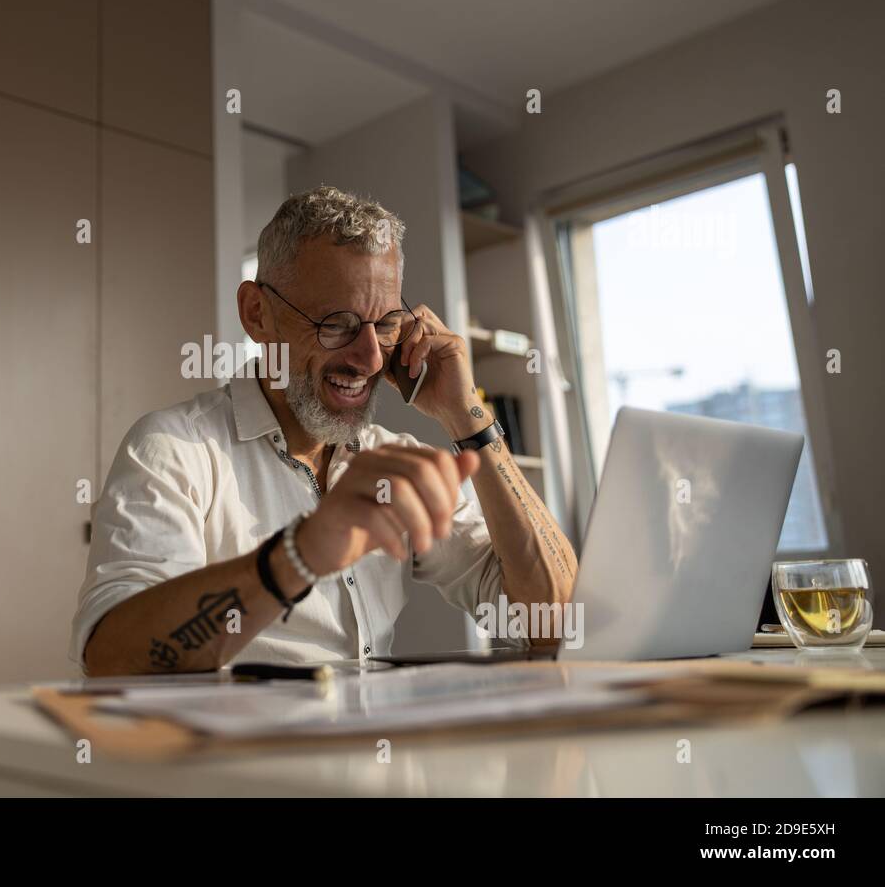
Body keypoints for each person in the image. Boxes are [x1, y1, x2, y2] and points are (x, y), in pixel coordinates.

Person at [71, 186, 577, 676]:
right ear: (256, 313)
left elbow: (553, 625)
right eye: (336, 323)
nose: (371, 358)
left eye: (386, 324)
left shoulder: (396, 463)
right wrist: (301, 552)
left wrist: (468, 417)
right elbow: (114, 655)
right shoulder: (173, 450)